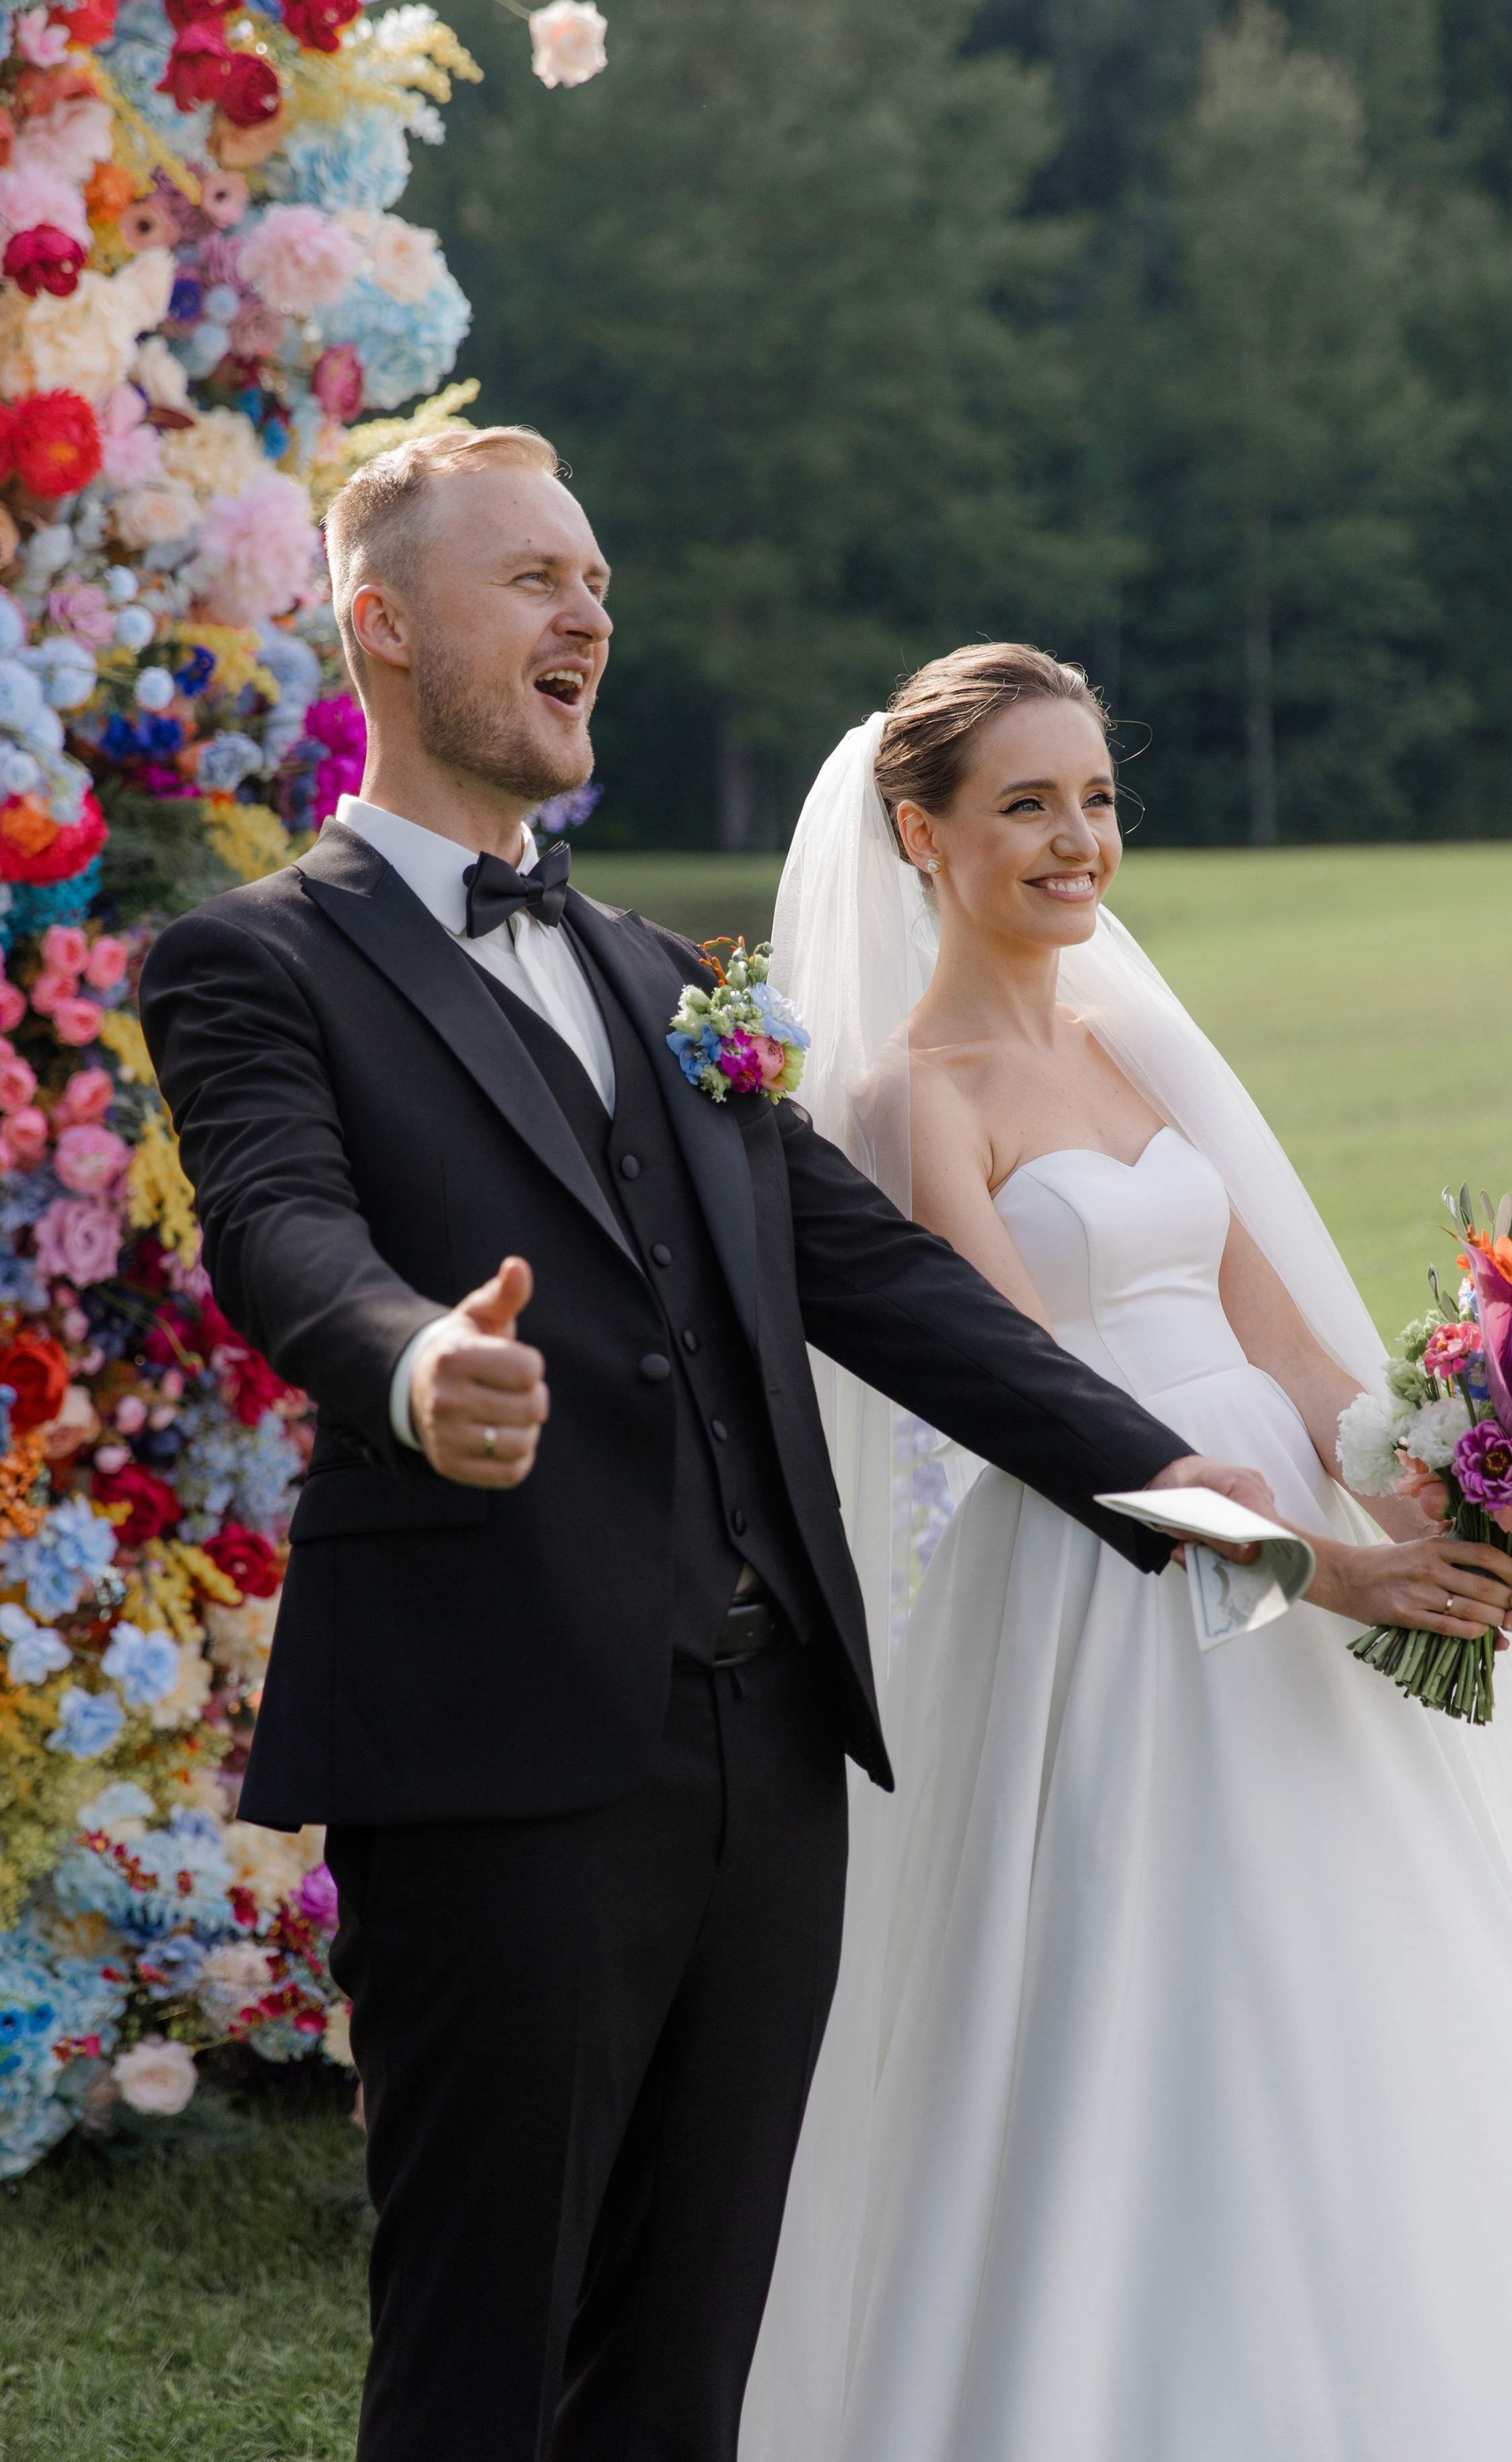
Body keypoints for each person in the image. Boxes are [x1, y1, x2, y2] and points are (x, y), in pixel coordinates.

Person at [138, 429, 1293, 2462]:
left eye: (595, 577)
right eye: (532, 580)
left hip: (772, 1761)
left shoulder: (667, 975)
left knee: (691, 2368)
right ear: (384, 626)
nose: (590, 611)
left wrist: (1237, 1517)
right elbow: (281, 1229)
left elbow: (910, 1300)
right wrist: (413, 1362)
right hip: (495, 1759)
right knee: (480, 2359)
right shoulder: (258, 959)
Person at [740, 645, 1512, 2462]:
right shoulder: (910, 1098)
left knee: (1361, 1959)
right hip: (1111, 1577)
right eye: (1026, 803)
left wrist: (1462, 1486)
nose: (1076, 840)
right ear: (920, 832)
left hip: (1289, 1540)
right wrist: (1315, 1568)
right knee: (1149, 1981)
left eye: (1097, 797)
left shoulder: (1129, 1046)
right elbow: (1032, 1414)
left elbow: (1292, 1348)